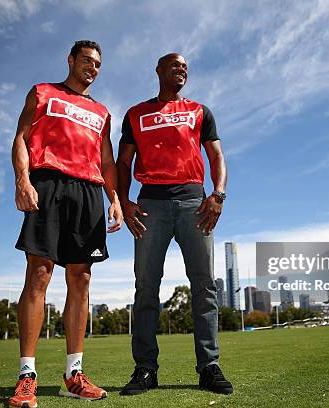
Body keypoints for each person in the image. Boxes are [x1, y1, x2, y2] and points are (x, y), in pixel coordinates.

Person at [9, 40, 122, 408]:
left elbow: (106, 161)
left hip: (88, 191)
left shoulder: (102, 112)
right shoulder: (42, 92)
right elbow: (21, 138)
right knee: (39, 273)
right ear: (71, 60)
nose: (92, 68)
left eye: (98, 64)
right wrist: (22, 181)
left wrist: (115, 199)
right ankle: (27, 376)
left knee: (81, 277)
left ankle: (74, 375)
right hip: (49, 184)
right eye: (87, 61)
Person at [116, 52, 233, 395]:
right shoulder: (136, 114)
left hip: (195, 204)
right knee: (146, 286)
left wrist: (219, 194)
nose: (181, 69)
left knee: (204, 286)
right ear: (158, 71)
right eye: (174, 65)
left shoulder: (200, 112)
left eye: (185, 66)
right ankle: (145, 369)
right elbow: (123, 163)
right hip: (151, 204)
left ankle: (209, 367)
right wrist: (125, 202)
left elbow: (216, 156)